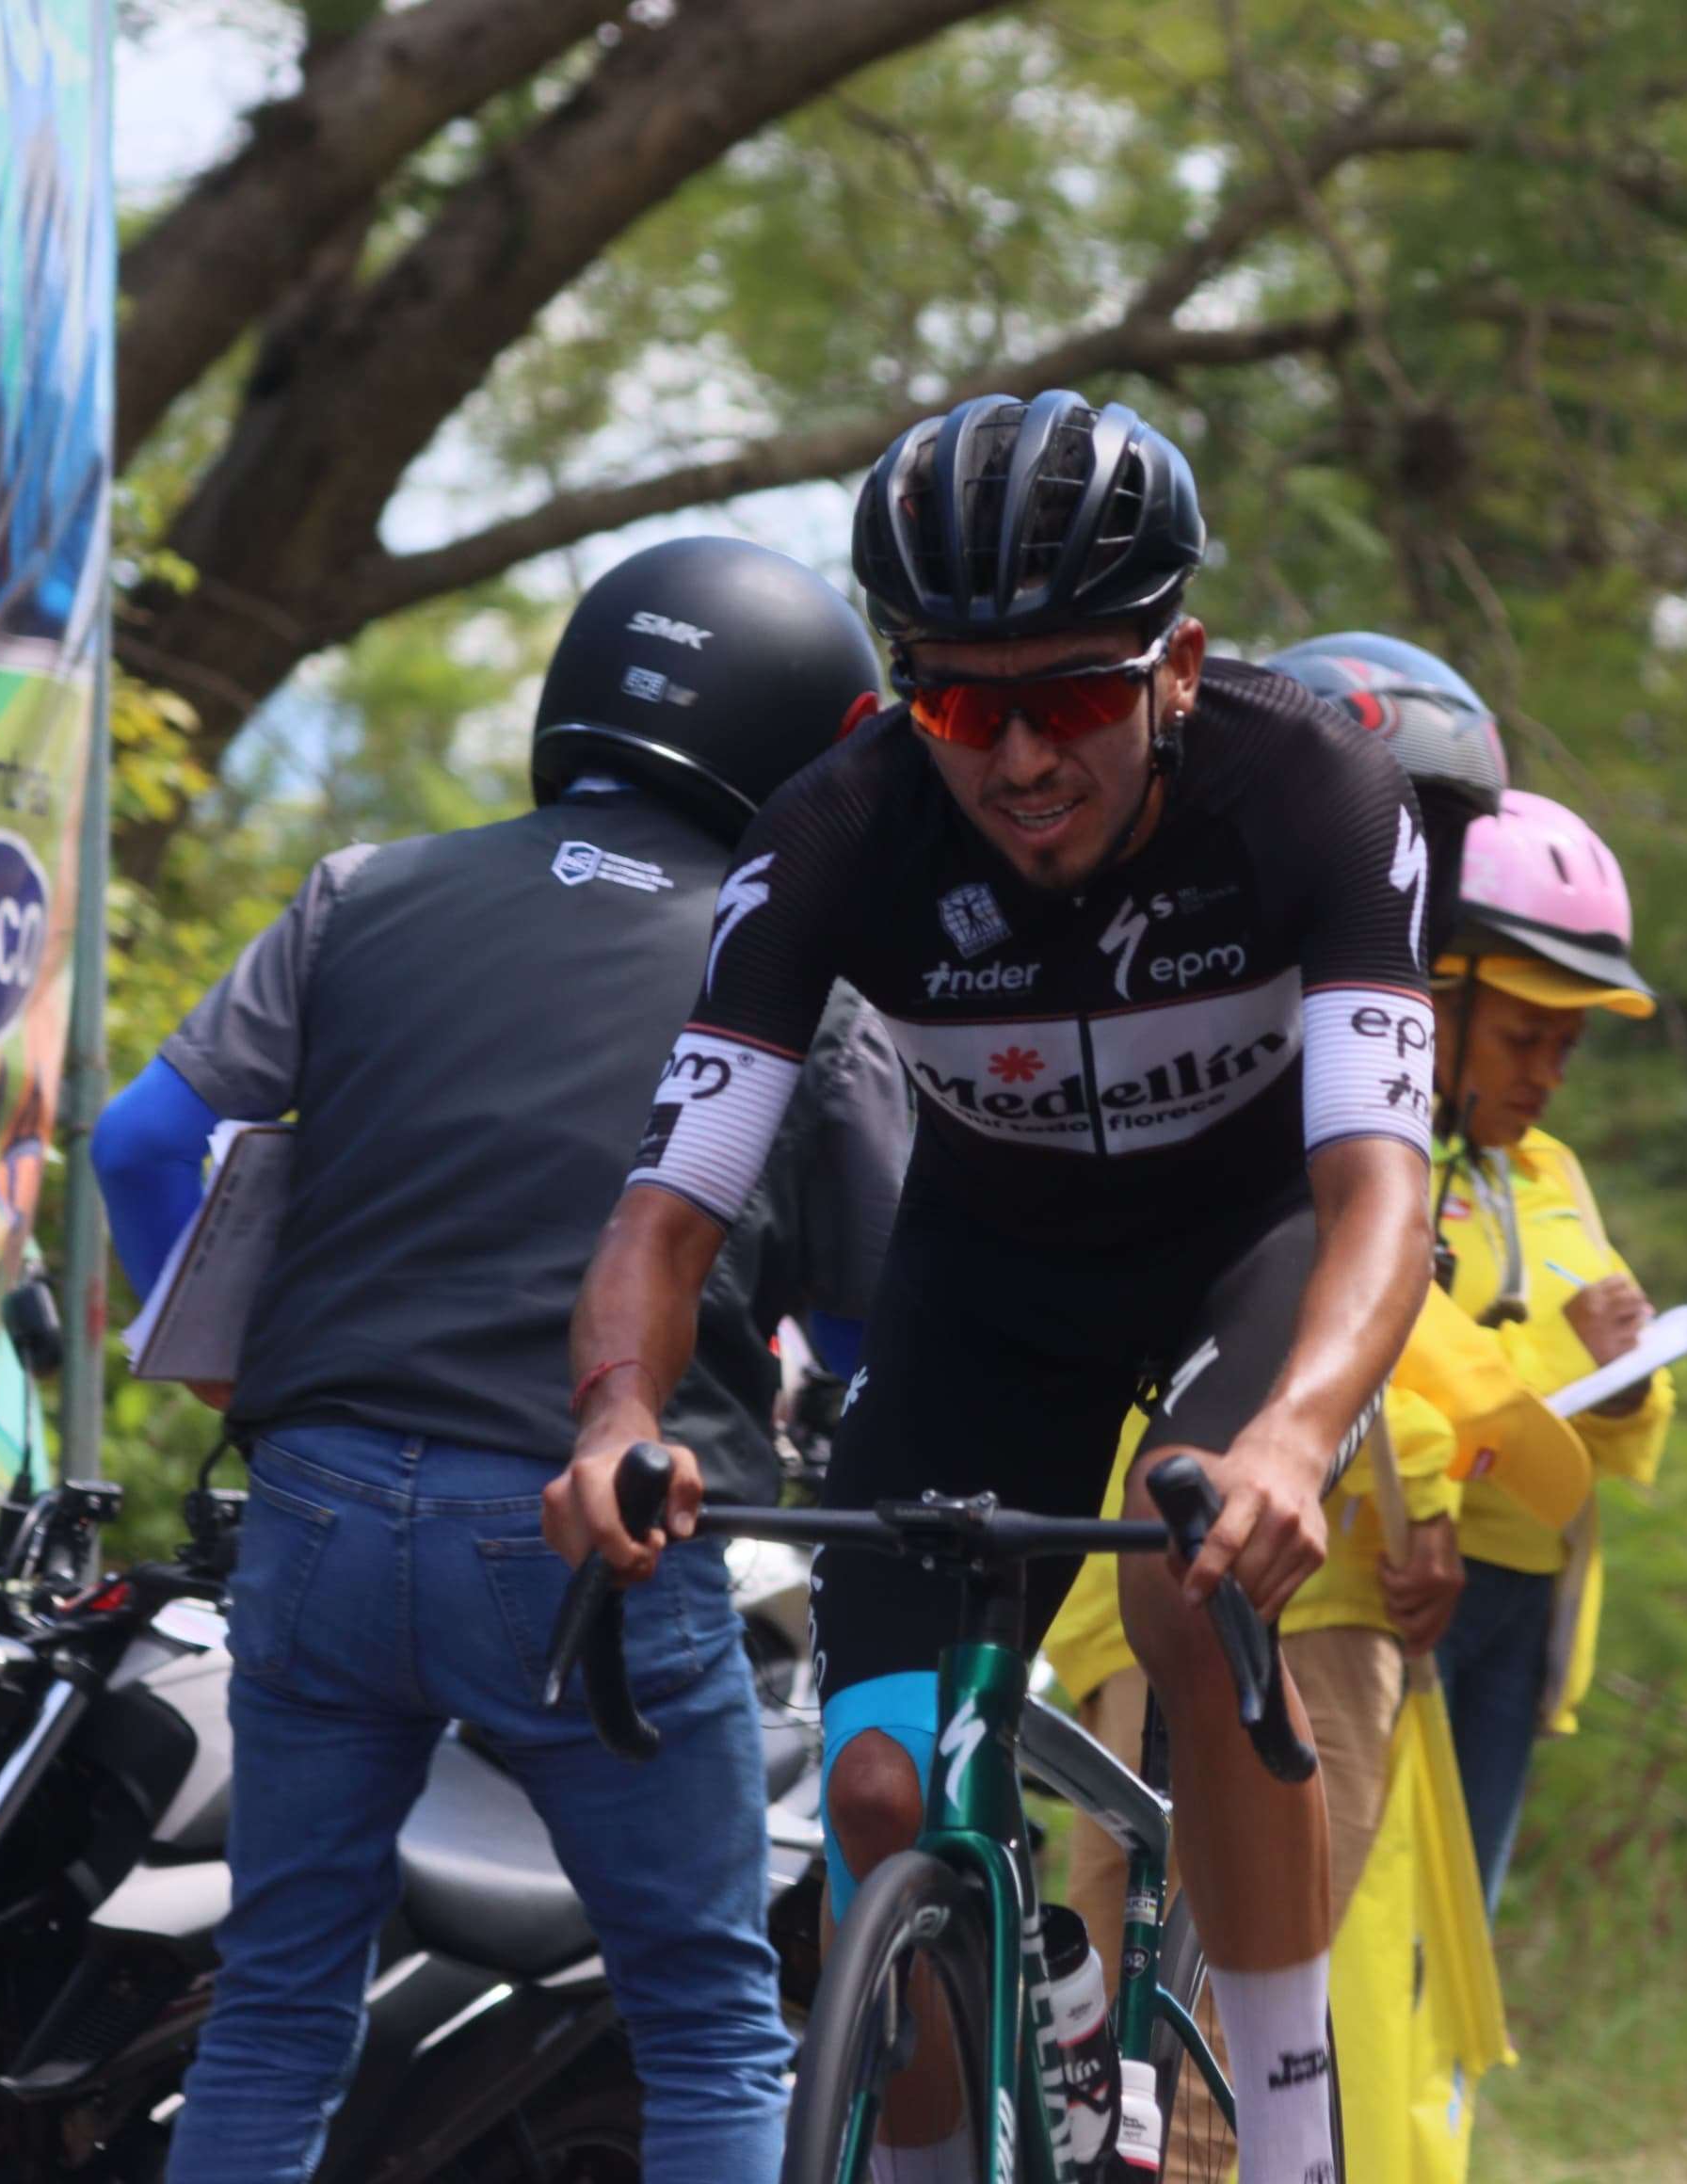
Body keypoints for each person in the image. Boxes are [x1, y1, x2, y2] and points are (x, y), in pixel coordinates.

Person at [553, 391, 1440, 2184]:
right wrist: (619, 1417)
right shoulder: (841, 827)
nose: (1020, 759)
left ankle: (1285, 2140)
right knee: (878, 1796)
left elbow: (1379, 1188)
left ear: (1176, 665)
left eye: (1074, 700)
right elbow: (669, 1211)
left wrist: (1294, 1437)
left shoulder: (1316, 783)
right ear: (902, 696)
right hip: (992, 1280)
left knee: (1195, 1592)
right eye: (965, 702)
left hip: (1249, 1253)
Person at [90, 538, 905, 2184]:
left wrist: (238, 1379)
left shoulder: (362, 895)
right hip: (584, 1531)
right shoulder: (797, 988)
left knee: (274, 2009)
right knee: (706, 2022)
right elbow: (888, 1315)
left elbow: (141, 1142)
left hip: (309, 1513)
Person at [1039, 632, 1513, 1986]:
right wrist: (1424, 1502)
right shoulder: (1326, 1047)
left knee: (1140, 2023)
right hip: (1275, 1588)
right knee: (1217, 2051)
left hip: (1160, 1582)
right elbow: (1349, 1308)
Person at [1422, 789, 1678, 1911]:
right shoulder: (1375, 1171)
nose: (1546, 1074)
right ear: (1432, 1003)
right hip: (1403, 1586)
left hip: (1526, 1605)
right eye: (1525, 1038)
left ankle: (1446, 2103)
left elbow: (1624, 1414)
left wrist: (1628, 1382)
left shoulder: (1551, 1174)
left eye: (1565, 1047)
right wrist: (1564, 1382)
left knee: (1462, 1933)